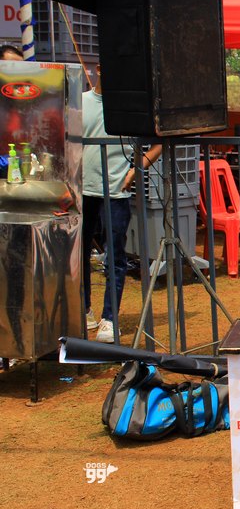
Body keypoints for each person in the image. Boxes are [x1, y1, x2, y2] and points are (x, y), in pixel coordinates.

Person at [82, 64, 161, 343]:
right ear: (98, 69)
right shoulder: (80, 102)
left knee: (114, 256)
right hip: (81, 190)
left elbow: (159, 142)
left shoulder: (129, 106)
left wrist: (136, 170)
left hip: (116, 191)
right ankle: (84, 309)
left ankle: (110, 318)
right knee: (77, 255)